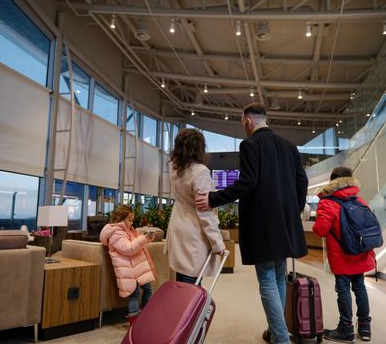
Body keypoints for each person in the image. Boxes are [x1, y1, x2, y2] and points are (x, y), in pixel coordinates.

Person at [195, 103, 308, 344]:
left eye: (242, 123)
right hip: (285, 225)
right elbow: (302, 182)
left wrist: (214, 198)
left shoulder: (250, 144)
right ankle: (276, 331)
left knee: (267, 278)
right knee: (278, 276)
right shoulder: (290, 147)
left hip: (263, 223)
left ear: (248, 121)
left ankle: (281, 339)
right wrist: (293, 211)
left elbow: (247, 183)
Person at [312, 166, 375, 342]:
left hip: (342, 256)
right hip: (361, 253)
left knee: (343, 291)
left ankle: (346, 329)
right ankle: (364, 328)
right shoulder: (360, 200)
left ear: (332, 182)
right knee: (360, 287)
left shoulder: (328, 202)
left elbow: (320, 230)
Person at [164, 128, 225, 285]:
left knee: (181, 277)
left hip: (177, 225)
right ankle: (188, 310)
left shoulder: (174, 168)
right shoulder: (200, 172)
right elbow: (205, 211)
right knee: (192, 280)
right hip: (193, 230)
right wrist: (217, 243)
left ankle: (180, 310)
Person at [100, 204, 157, 326]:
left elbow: (136, 244)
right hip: (127, 270)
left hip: (136, 267)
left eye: (132, 220)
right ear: (121, 219)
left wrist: (147, 238)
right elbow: (128, 248)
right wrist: (143, 239)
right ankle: (135, 323)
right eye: (129, 220)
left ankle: (145, 316)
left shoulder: (128, 230)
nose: (132, 223)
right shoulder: (115, 233)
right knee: (134, 294)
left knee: (148, 289)